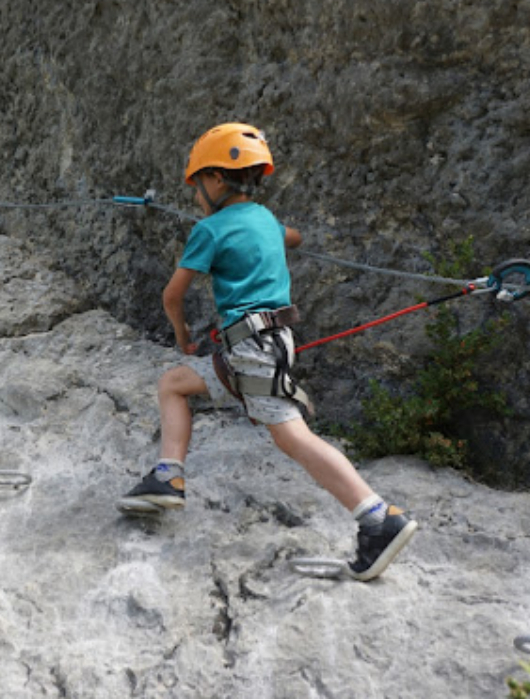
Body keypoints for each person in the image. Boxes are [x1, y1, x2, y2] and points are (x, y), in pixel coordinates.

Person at [117, 122, 418, 581]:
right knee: (174, 384)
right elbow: (291, 237)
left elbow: (172, 296)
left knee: (292, 437)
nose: (196, 195)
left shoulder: (210, 230)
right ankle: (168, 474)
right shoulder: (266, 221)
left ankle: (378, 517)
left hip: (252, 345)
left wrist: (181, 337)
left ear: (217, 180)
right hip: (260, 344)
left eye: (198, 184)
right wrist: (270, 237)